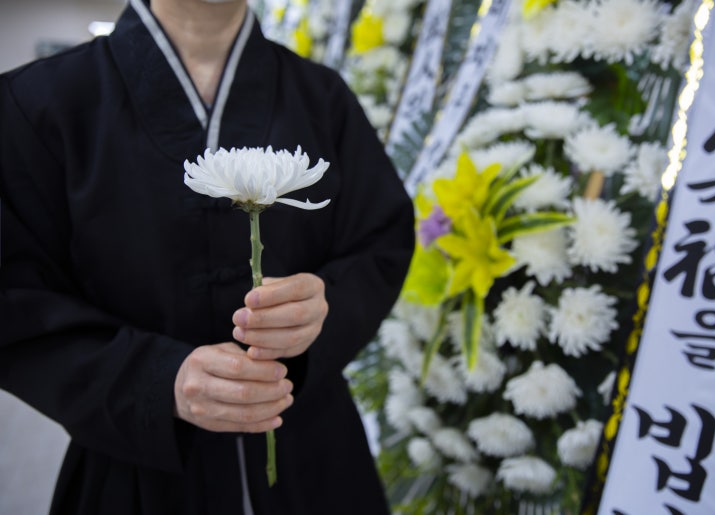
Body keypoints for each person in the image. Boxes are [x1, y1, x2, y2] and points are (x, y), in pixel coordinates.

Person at [0, 0, 415, 513]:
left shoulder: (323, 97)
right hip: (137, 470)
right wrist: (155, 381)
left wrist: (324, 306)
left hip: (313, 449)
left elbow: (380, 241)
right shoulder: (37, 102)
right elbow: (15, 300)